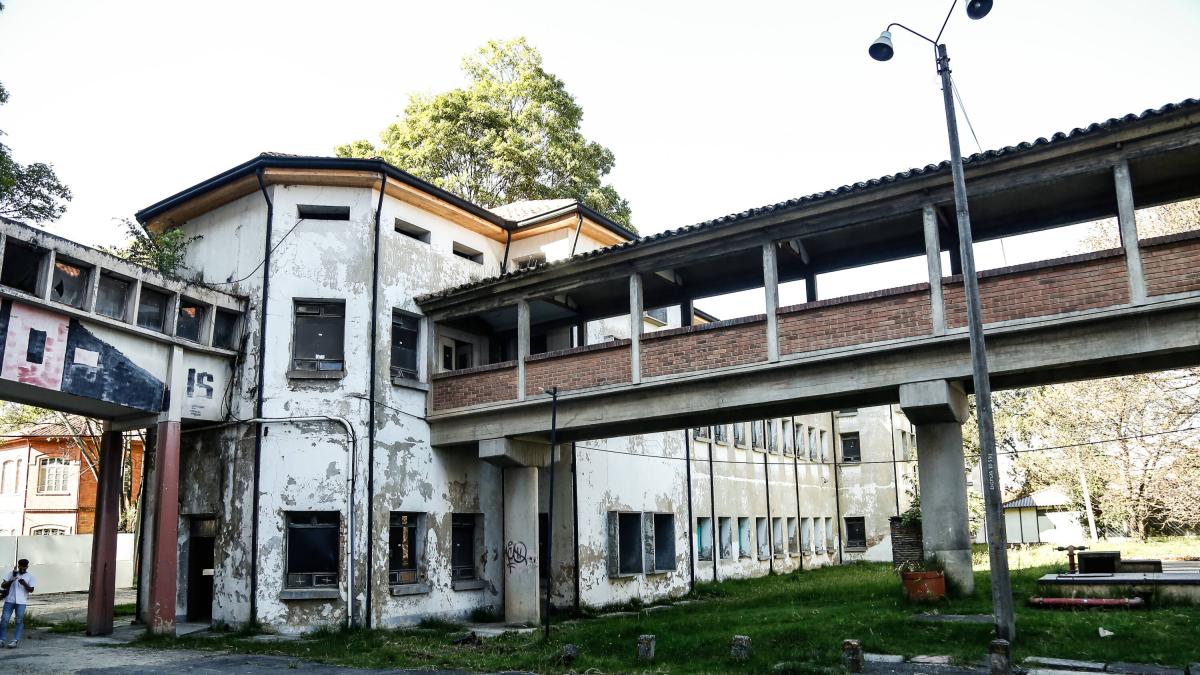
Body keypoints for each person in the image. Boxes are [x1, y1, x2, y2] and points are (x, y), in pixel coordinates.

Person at [0, 558, 36, 648]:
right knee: (4, 620)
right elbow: (3, 585)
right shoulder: (11, 573)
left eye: (25, 568)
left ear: (27, 567)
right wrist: (12, 579)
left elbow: (31, 590)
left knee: (19, 621)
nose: (23, 569)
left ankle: (15, 640)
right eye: (21, 567)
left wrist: (24, 584)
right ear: (18, 566)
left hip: (21, 602)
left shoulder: (30, 576)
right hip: (9, 600)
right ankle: (1, 639)